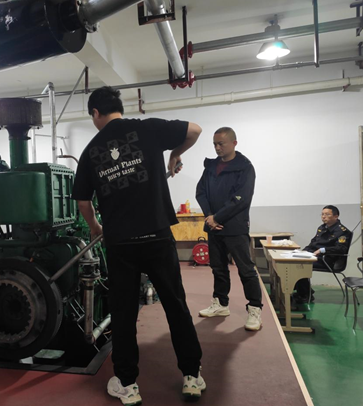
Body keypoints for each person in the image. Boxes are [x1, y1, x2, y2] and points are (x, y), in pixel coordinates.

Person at [72, 86, 205, 405]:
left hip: (121, 243)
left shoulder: (91, 151)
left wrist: (95, 228)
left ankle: (128, 384)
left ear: (95, 113)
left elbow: (82, 201)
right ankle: (191, 376)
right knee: (175, 305)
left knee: (124, 313)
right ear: (118, 107)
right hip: (157, 235)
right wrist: (175, 153)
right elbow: (195, 130)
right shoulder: (148, 129)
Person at [195, 127, 263, 331]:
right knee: (218, 268)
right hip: (213, 226)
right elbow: (201, 192)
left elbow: (241, 199)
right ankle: (221, 304)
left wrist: (217, 217)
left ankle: (255, 309)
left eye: (221, 144)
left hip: (235, 226)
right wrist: (210, 217)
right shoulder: (210, 167)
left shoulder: (245, 168)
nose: (217, 148)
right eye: (214, 144)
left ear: (234, 143)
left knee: (246, 269)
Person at [294, 205, 352, 303]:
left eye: (327, 214)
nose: (323, 217)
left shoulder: (342, 231)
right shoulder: (322, 228)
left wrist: (322, 250)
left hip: (329, 260)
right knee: (294, 263)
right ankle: (304, 292)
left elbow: (341, 248)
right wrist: (303, 251)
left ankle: (305, 295)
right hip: (316, 257)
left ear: (336, 216)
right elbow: (313, 243)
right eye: (322, 214)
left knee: (301, 266)